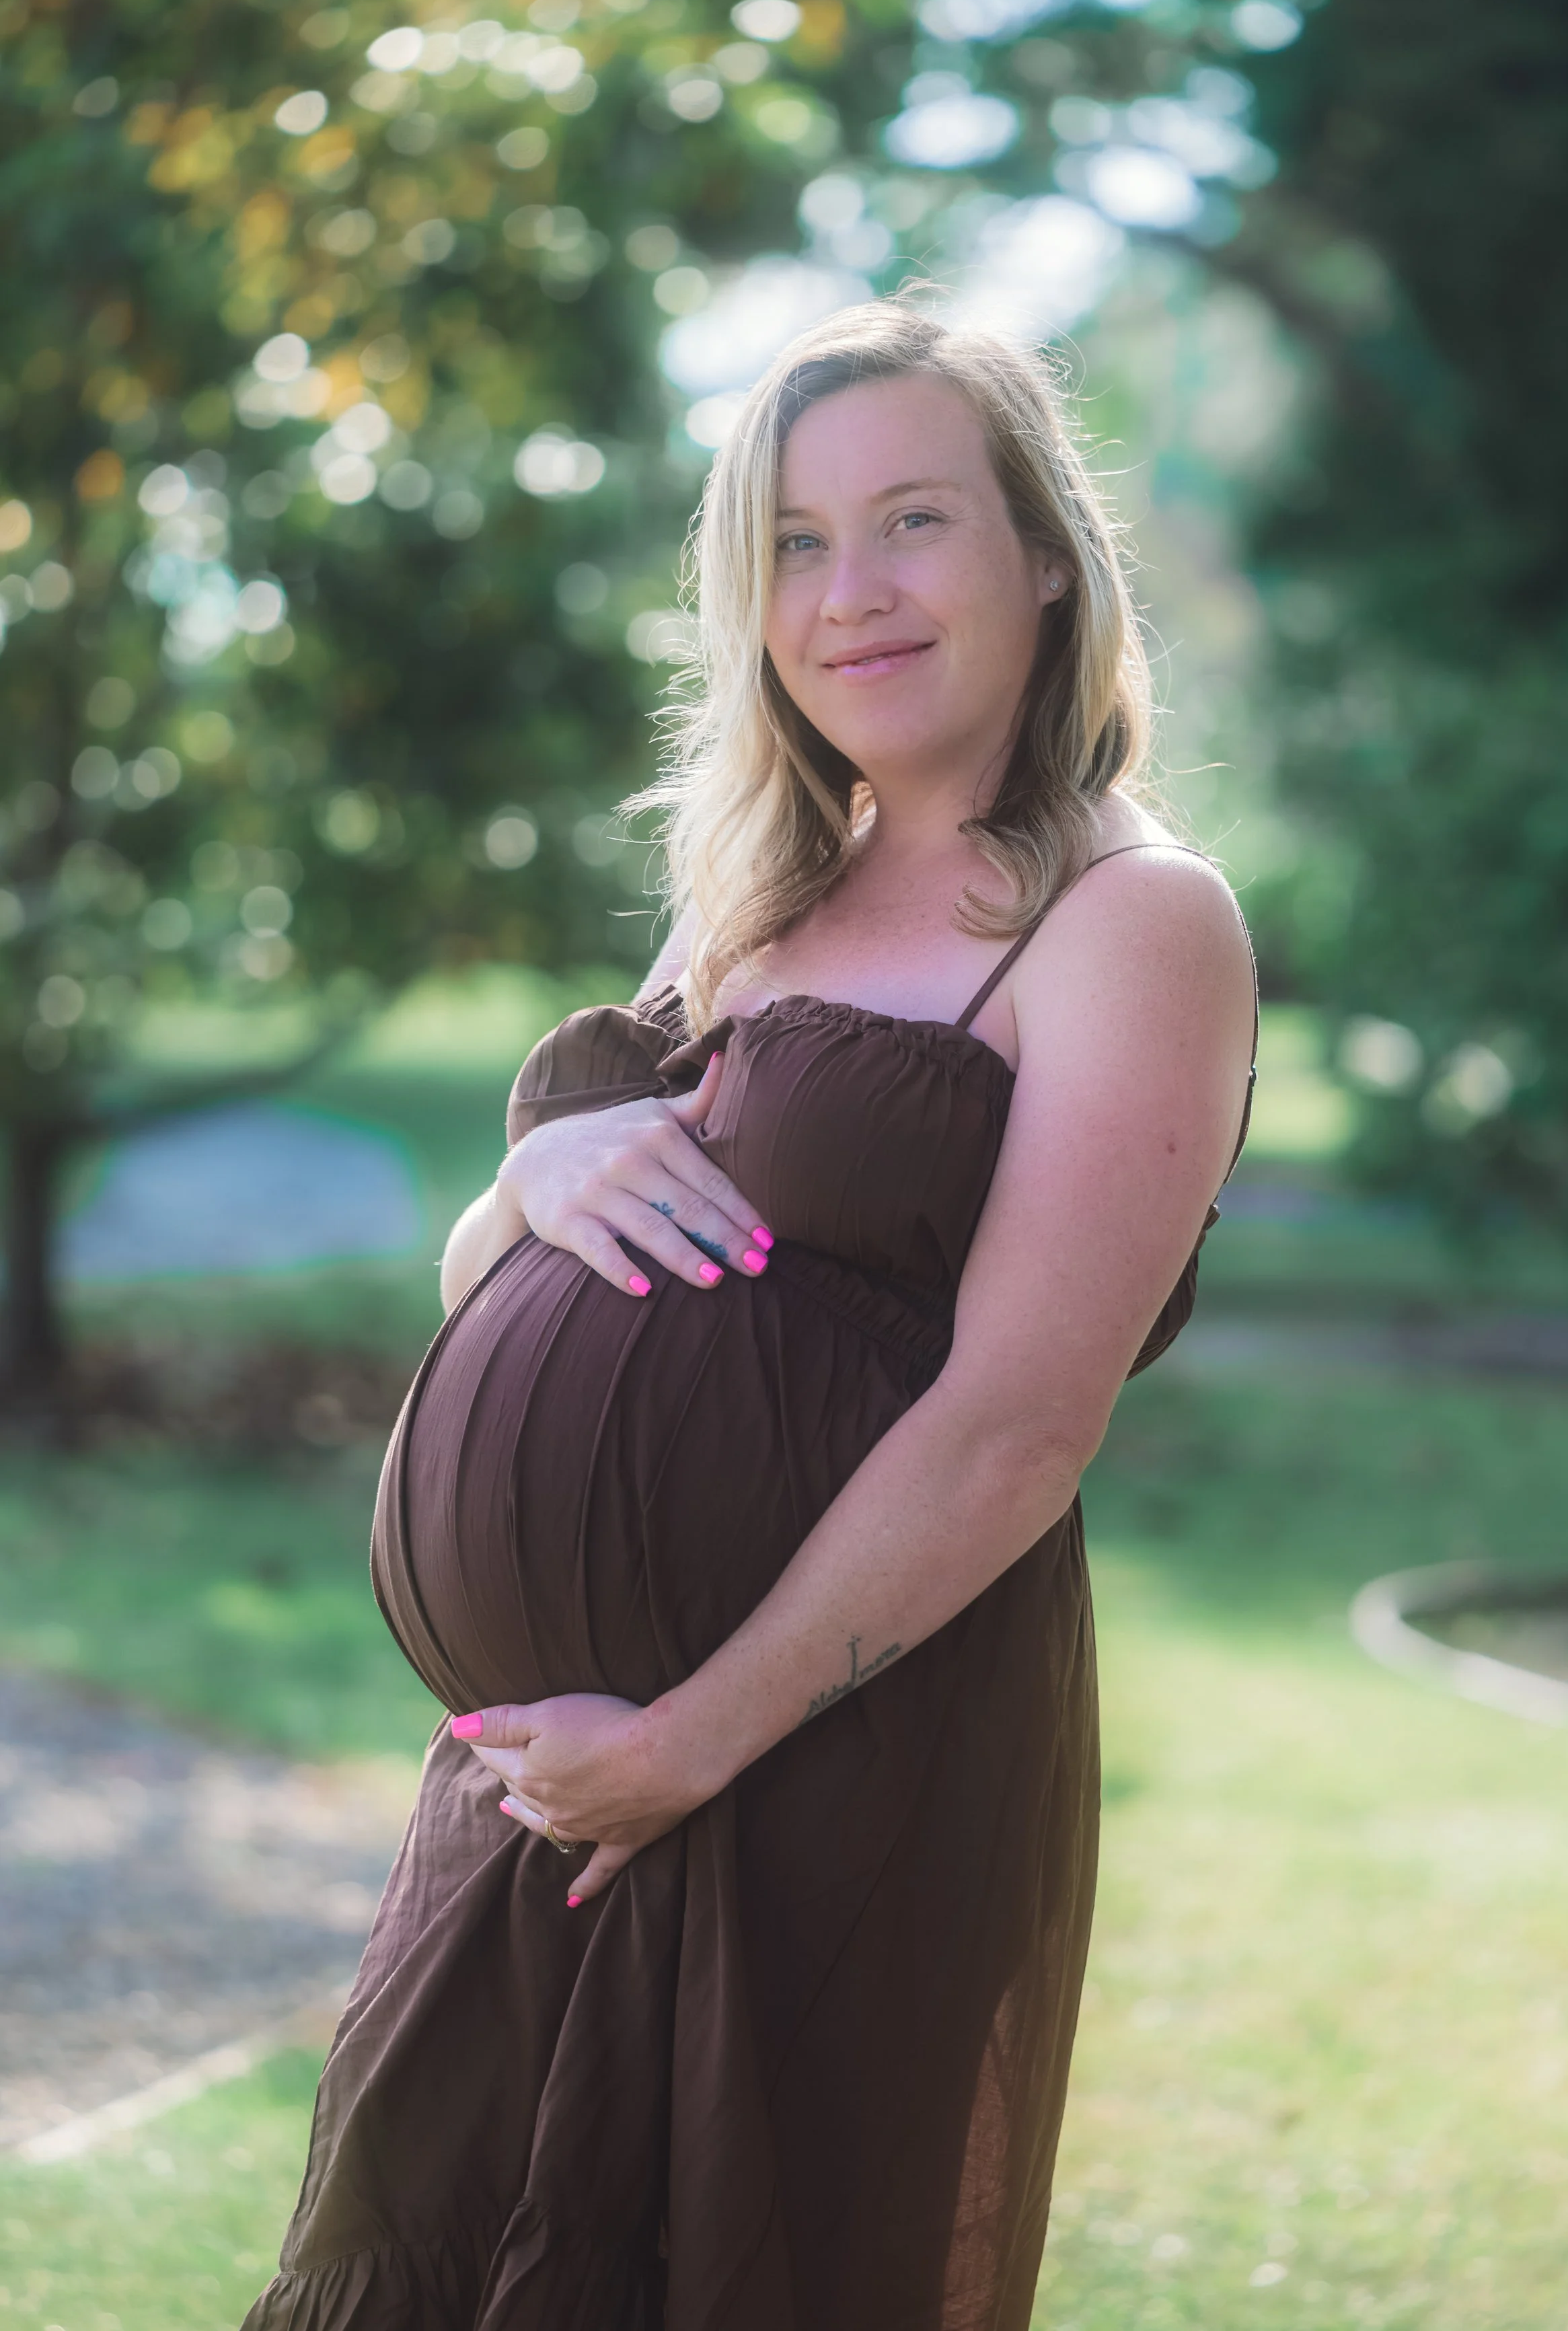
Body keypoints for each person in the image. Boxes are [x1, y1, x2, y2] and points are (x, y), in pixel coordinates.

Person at [244, 299, 1257, 2331]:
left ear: (1043, 556)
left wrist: (692, 1741)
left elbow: (1014, 1426)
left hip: (810, 1760)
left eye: (909, 522)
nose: (848, 591)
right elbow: (519, 1277)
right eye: (792, 540)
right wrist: (528, 1176)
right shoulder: (766, 888)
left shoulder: (1128, 921)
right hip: (551, 1778)